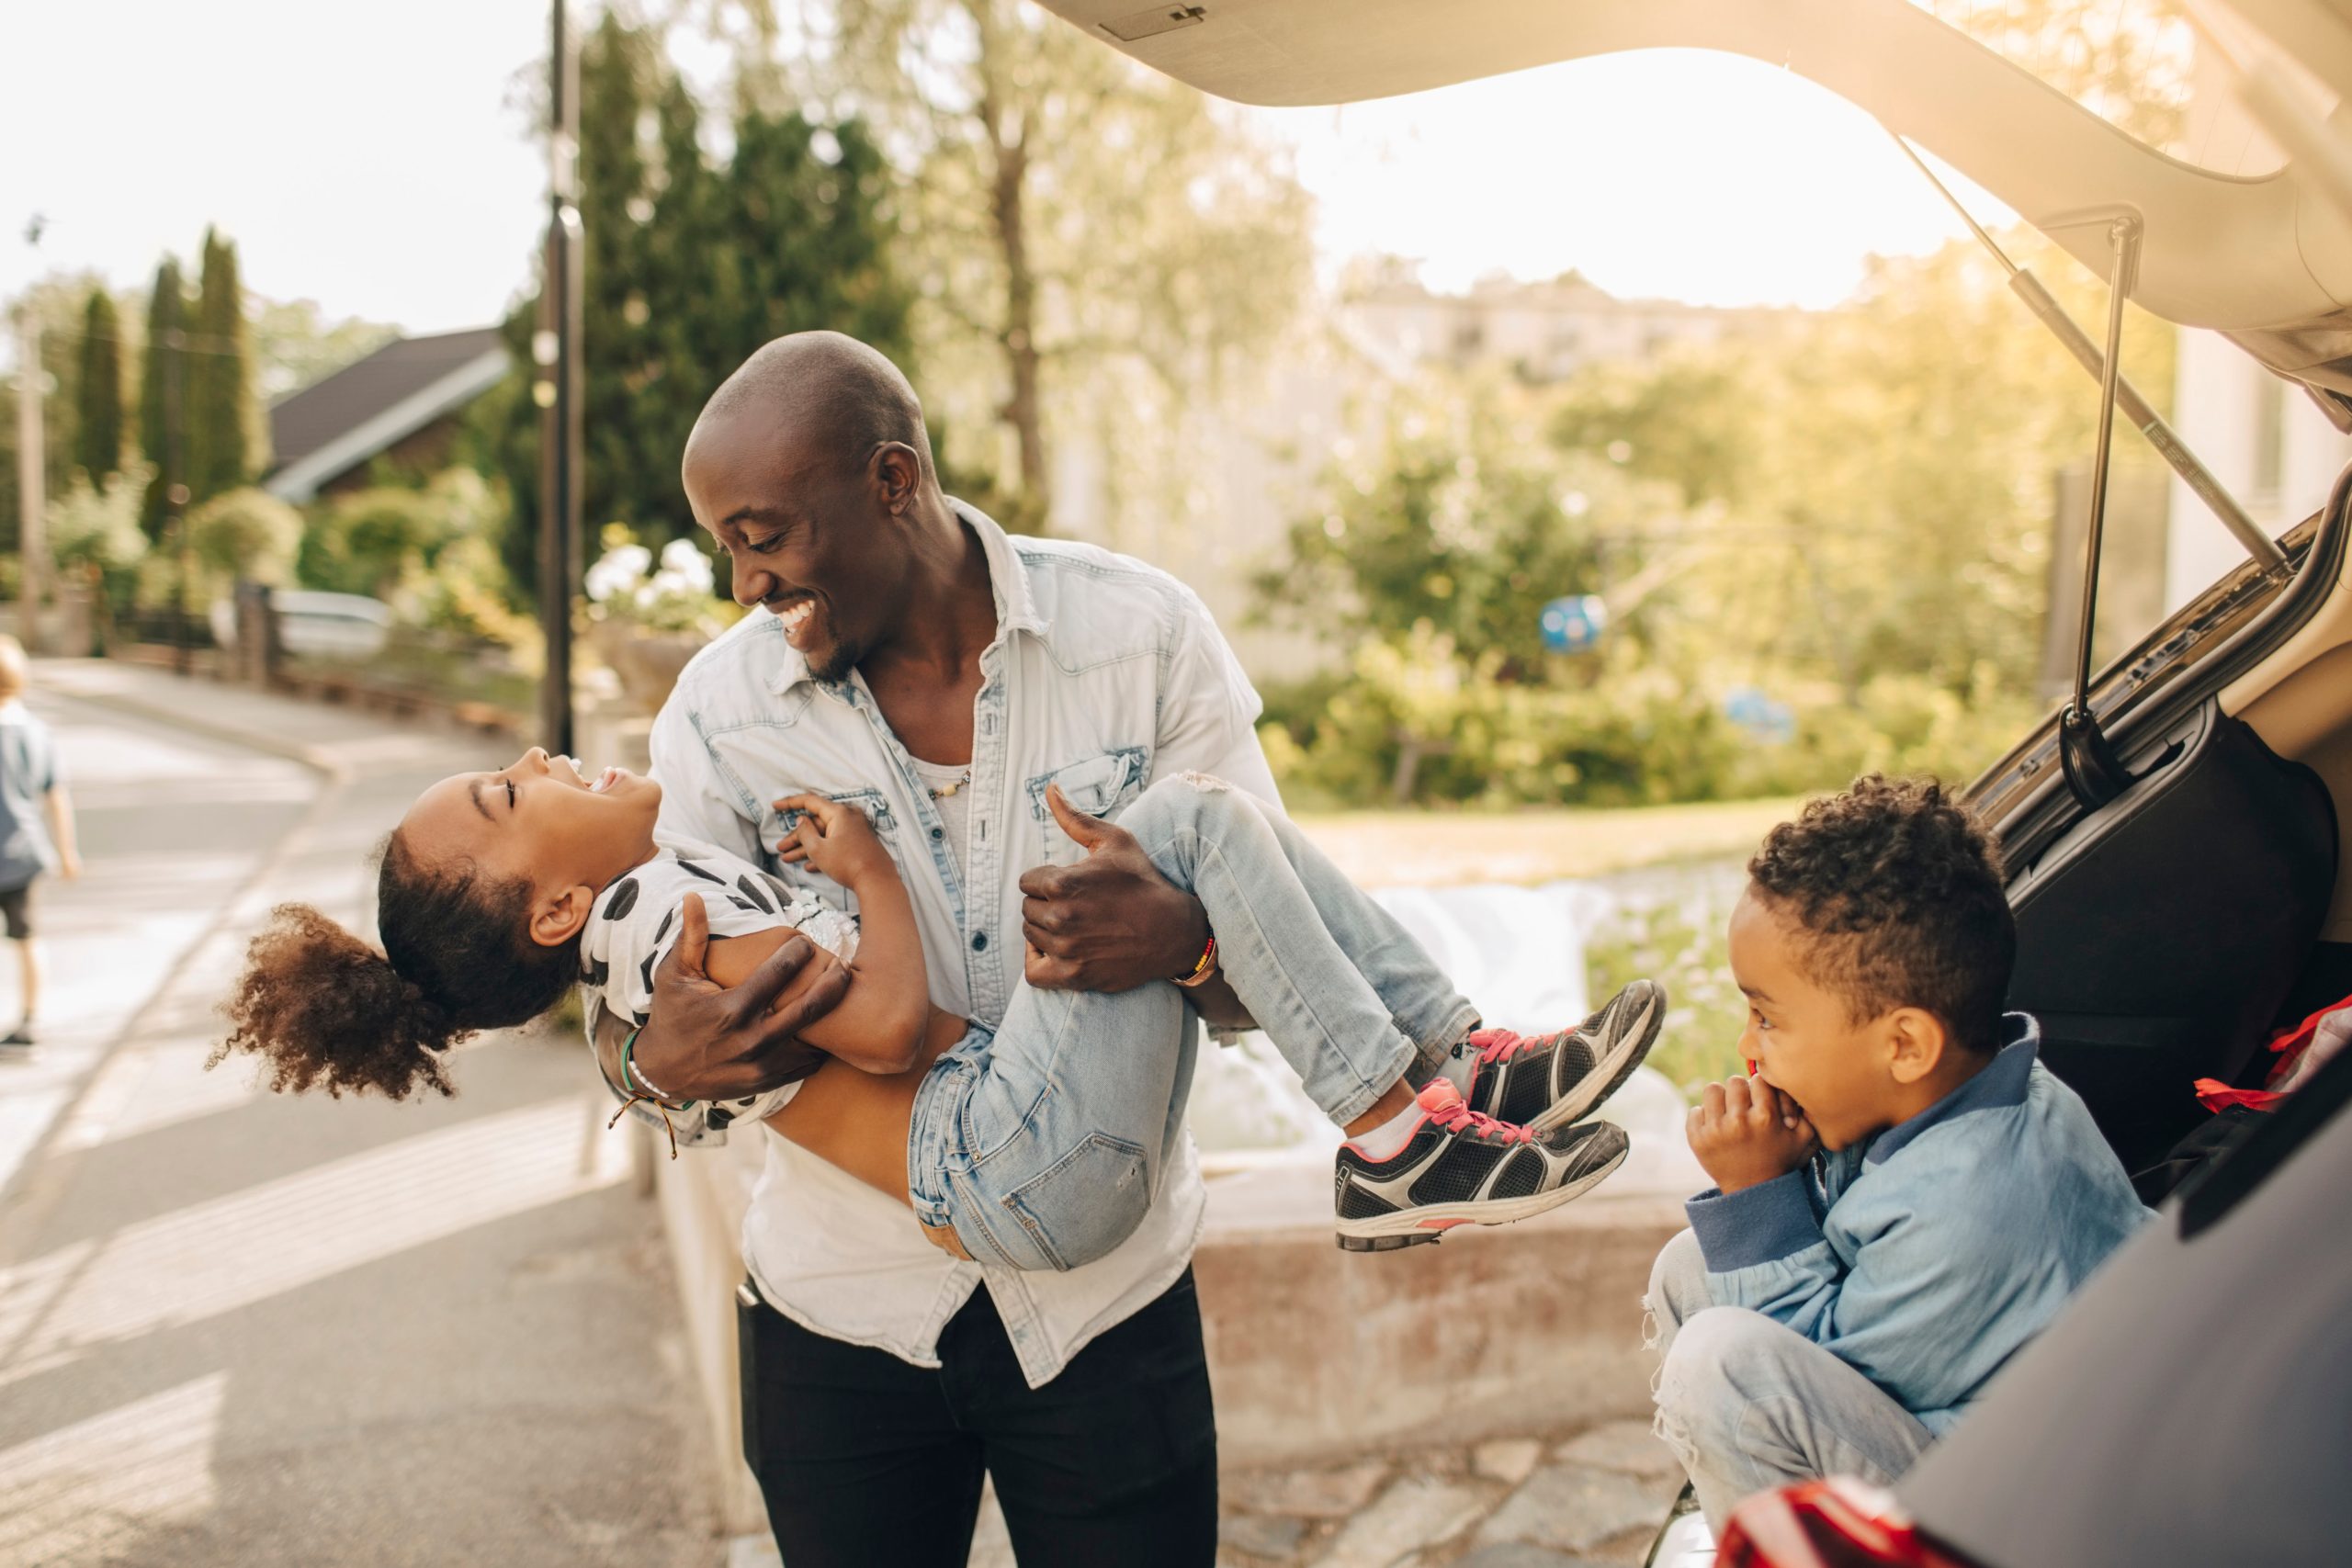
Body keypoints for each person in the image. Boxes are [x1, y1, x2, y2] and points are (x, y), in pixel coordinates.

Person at [215, 749, 1653, 1265]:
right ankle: (1406, 1136)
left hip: (1018, 1128)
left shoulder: (658, 892)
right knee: (1197, 822)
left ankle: (1460, 1071)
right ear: (549, 909)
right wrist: (870, 867)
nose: (534, 752)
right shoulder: (667, 928)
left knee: (1200, 818)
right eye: (508, 792)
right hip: (1005, 1155)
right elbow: (892, 1029)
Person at [1644, 774, 2150, 1534]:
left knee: (1720, 1361)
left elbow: (1814, 1368)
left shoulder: (1972, 1209)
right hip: (1969, 1428)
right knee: (1691, 1264)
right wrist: (1794, 1159)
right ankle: (1737, 1516)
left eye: (1769, 1020)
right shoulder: (1963, 1091)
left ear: (1905, 1044)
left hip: (2029, 1513)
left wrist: (1758, 1193)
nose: (1748, 1047)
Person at [0, 636, 80, 1051]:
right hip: (26, 855)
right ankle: (31, 1020)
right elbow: (56, 795)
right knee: (27, 938)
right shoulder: (36, 732)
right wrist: (67, 851)